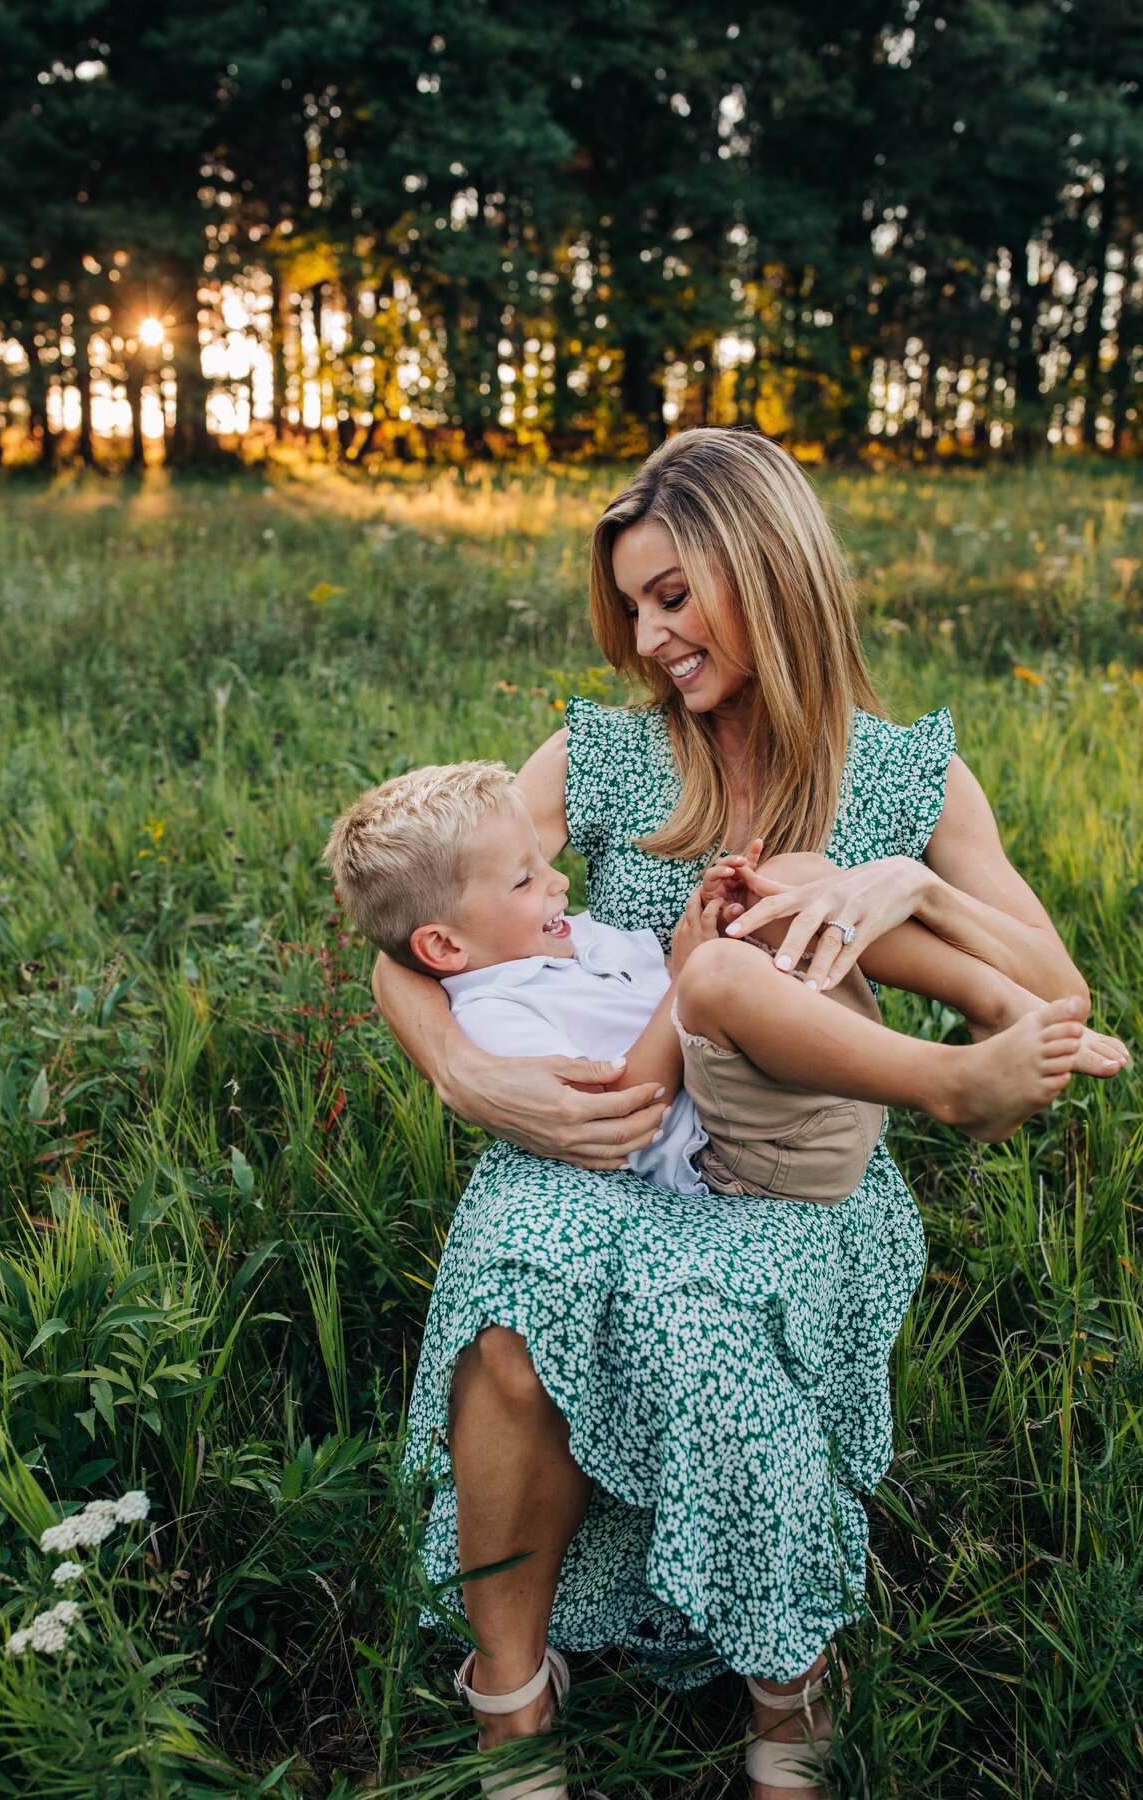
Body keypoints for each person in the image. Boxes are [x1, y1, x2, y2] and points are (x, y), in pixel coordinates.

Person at [370, 428, 1122, 1800]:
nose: (650, 639)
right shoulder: (598, 759)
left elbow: (1061, 1001)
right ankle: (509, 1709)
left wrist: (911, 887)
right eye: (635, 606)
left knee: (705, 1323)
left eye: (674, 597)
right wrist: (465, 1075)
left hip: (786, 1163)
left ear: (769, 570)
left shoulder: (912, 777)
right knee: (514, 1284)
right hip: (605, 1137)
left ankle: (787, 1683)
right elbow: (412, 925)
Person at [326, 761, 1123, 1215]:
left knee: (795, 879)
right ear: (447, 945)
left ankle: (994, 1004)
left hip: (791, 1087)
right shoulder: (496, 1007)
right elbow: (622, 1110)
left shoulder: (548, 935)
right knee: (713, 971)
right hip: (744, 1153)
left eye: (673, 599)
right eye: (530, 879)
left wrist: (719, 914)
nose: (559, 882)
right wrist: (690, 973)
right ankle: (951, 1084)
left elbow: (671, 975)